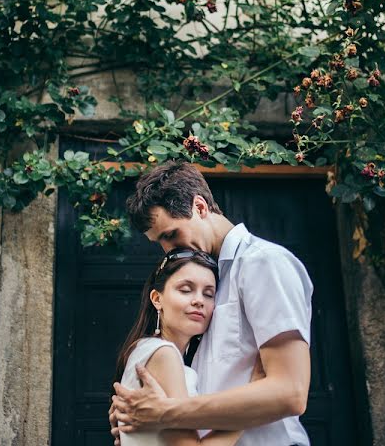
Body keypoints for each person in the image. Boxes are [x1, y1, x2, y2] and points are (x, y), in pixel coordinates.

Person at [111, 161, 313, 445]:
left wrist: (166, 413)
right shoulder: (205, 284)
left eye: (171, 234)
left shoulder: (262, 263)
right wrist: (140, 425)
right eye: (160, 242)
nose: (169, 250)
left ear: (200, 207)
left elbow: (291, 391)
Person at [114, 246, 248, 445]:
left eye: (209, 294)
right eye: (186, 290)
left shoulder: (146, 349)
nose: (199, 301)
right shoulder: (162, 354)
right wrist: (253, 410)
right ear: (157, 299)